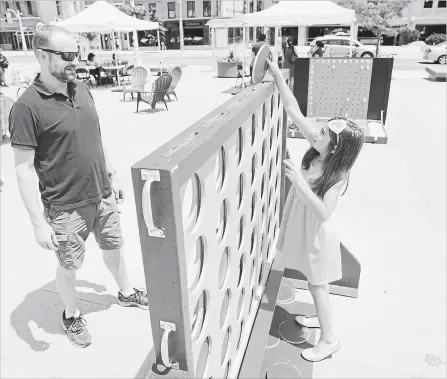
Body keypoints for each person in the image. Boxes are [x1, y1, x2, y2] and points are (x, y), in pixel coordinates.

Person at [8, 25, 148, 349]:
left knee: (114, 247)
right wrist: (37, 224)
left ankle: (126, 292)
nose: (77, 60)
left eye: (78, 53)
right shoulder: (26, 107)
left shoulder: (81, 89)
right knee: (69, 264)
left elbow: (94, 138)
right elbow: (23, 170)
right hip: (66, 205)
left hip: (102, 194)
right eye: (68, 55)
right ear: (43, 56)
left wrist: (110, 173)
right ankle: (70, 315)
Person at [266, 58, 364, 362]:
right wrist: (278, 77)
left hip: (318, 234)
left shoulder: (337, 173)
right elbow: (293, 109)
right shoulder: (319, 150)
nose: (316, 134)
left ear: (334, 148)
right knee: (312, 281)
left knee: (318, 286)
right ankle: (321, 323)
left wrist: (298, 181)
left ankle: (329, 339)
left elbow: (323, 213)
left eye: (323, 134)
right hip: (305, 226)